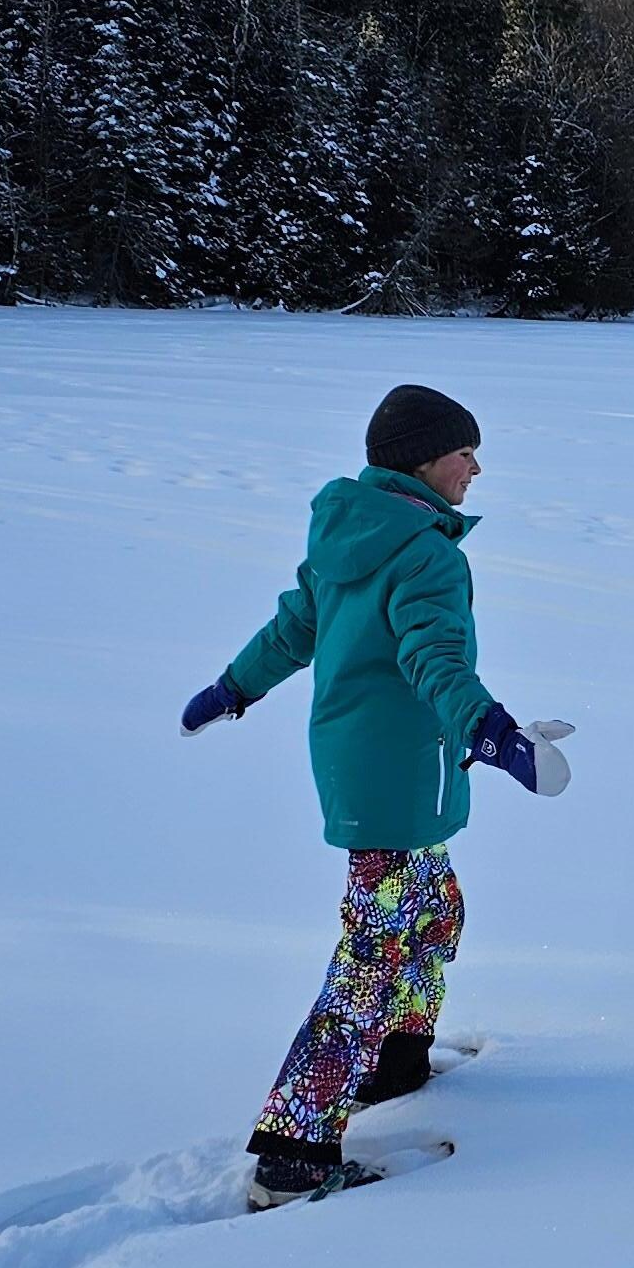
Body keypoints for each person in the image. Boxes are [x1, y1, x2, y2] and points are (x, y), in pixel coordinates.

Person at [180, 382, 570, 1203]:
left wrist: (231, 688)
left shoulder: (350, 534)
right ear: (425, 462)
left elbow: (295, 629)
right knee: (371, 957)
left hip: (367, 771)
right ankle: (295, 1149)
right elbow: (437, 662)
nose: (476, 467)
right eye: (465, 452)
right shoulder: (427, 552)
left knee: (436, 912)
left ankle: (397, 1060)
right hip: (396, 779)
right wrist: (493, 733)